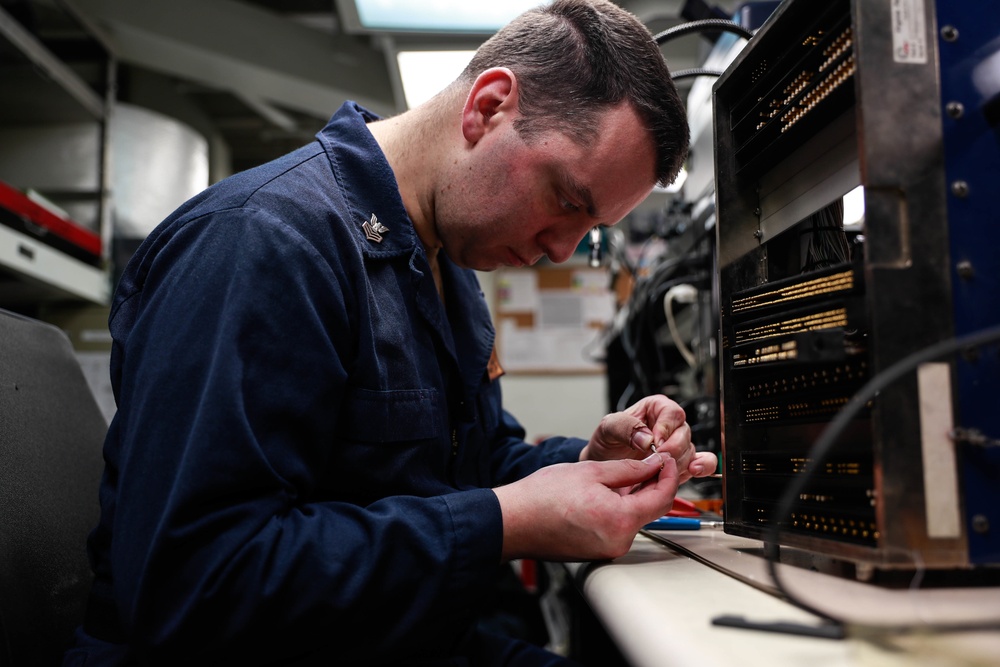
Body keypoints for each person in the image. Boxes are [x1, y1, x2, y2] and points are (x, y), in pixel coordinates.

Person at [64, 0, 717, 665]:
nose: (561, 250)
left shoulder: (445, 266)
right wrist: (506, 519)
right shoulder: (262, 242)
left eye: (590, 230)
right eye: (568, 202)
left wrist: (587, 466)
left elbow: (474, 460)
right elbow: (195, 585)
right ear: (489, 106)